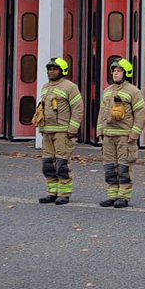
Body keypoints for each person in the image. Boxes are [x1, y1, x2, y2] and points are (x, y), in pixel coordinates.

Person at [97, 58, 145, 208]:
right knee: (110, 167)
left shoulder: (133, 91)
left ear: (126, 73)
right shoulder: (107, 91)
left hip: (125, 135)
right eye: (114, 71)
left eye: (119, 71)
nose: (115, 73)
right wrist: (100, 130)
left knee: (124, 167)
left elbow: (140, 114)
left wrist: (135, 134)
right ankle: (112, 196)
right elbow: (102, 112)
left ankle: (123, 197)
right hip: (108, 135)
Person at [33, 57, 83, 205]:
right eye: (49, 69)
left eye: (54, 69)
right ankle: (52, 192)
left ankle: (64, 194)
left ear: (62, 71)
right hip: (47, 131)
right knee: (48, 164)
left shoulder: (70, 87)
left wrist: (72, 129)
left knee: (62, 164)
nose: (51, 71)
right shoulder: (45, 87)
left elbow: (78, 109)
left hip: (63, 132)